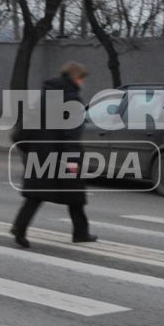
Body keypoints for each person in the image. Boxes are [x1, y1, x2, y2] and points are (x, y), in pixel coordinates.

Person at [11, 61, 98, 248]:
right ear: (76, 78)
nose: (83, 83)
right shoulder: (72, 100)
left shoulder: (45, 96)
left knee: (36, 196)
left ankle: (20, 227)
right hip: (62, 156)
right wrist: (73, 160)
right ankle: (80, 233)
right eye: (82, 78)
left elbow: (24, 128)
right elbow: (71, 134)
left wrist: (29, 150)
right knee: (74, 195)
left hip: (40, 154)